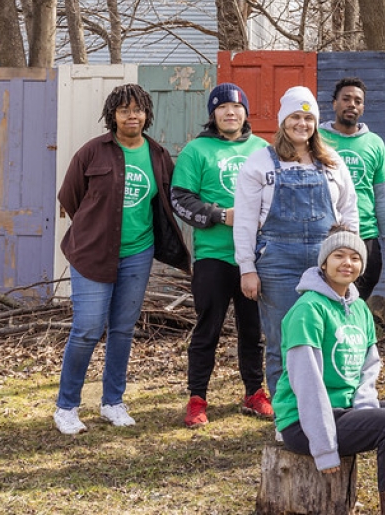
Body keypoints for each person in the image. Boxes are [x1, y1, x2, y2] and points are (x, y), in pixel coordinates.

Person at [274, 228, 385, 515]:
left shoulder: (360, 310)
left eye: (354, 257)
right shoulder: (309, 310)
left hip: (345, 409)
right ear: (323, 263)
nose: (347, 263)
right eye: (338, 255)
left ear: (362, 266)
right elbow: (307, 384)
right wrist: (324, 447)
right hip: (304, 422)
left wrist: (366, 410)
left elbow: (368, 368)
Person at [54, 84, 190, 435]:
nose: (133, 116)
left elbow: (167, 202)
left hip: (138, 253)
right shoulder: (93, 152)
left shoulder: (158, 155)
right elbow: (70, 196)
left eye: (139, 109)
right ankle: (66, 407)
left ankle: (112, 402)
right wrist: (95, 231)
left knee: (123, 330)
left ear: (147, 114)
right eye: (125, 110)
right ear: (112, 115)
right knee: (87, 329)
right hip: (92, 254)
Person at [234, 86, 358, 400]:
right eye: (294, 117)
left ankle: (329, 405)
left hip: (325, 260)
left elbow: (349, 212)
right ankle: (287, 414)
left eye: (308, 117)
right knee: (282, 338)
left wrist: (350, 256)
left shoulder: (332, 162)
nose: (301, 123)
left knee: (328, 335)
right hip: (277, 261)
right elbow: (246, 220)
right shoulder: (259, 162)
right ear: (282, 121)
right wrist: (247, 268)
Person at [171, 83, 272, 428]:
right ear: (213, 114)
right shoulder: (196, 151)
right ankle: (197, 398)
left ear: (245, 112)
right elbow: (180, 199)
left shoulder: (263, 149)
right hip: (213, 256)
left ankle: (254, 393)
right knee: (207, 330)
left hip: (256, 258)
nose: (231, 112)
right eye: (223, 107)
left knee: (252, 329)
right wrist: (218, 214)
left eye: (237, 106)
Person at [319, 77, 385, 300]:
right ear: (334, 103)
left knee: (356, 304)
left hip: (365, 237)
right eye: (346, 99)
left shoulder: (374, 143)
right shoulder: (317, 138)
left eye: (358, 101)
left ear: (363, 108)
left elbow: (384, 197)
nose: (352, 104)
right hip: (324, 235)